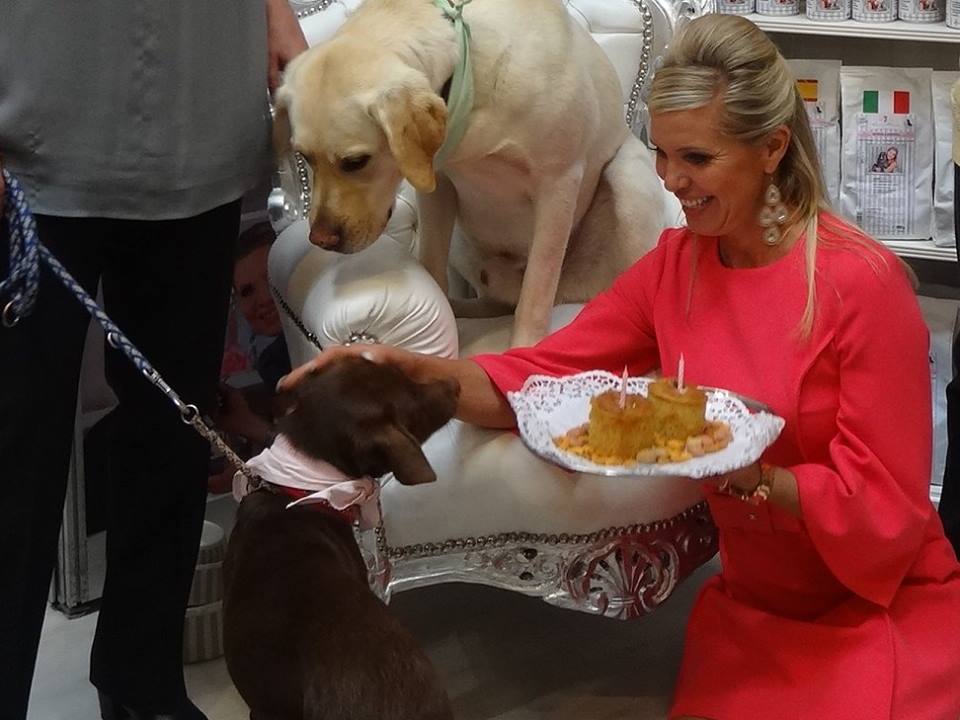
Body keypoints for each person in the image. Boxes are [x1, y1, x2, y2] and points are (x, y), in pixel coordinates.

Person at [280, 14, 960, 719]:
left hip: (876, 605)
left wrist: (755, 477)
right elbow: (538, 375)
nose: (671, 181)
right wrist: (396, 371)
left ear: (772, 148)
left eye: (696, 158)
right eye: (660, 153)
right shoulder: (677, 266)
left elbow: (888, 510)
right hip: (752, 613)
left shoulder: (862, 284)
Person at [0, 2, 305, 718]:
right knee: (13, 450)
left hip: (197, 115)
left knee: (174, 434)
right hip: (29, 115)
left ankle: (142, 683)